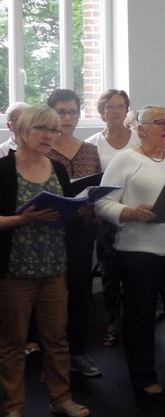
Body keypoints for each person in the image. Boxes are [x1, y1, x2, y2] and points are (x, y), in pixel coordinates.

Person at [94, 106, 165, 403]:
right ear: (141, 129)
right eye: (160, 122)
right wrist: (129, 212)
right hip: (138, 253)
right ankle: (143, 377)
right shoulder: (125, 160)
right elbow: (101, 203)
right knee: (140, 317)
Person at [1, 106, 91, 417]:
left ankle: (61, 398)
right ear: (23, 130)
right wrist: (21, 219)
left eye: (53, 130)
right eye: (41, 128)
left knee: (56, 338)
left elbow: (64, 214)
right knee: (13, 342)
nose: (49, 135)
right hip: (15, 268)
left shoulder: (57, 168)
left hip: (54, 266)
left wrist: (80, 207)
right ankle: (13, 408)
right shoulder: (3, 169)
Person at [46, 89, 103, 378]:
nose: (67, 117)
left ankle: (77, 352)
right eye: (62, 112)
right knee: (52, 295)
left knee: (80, 291)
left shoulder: (90, 150)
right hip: (51, 232)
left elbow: (97, 188)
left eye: (73, 112)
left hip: (82, 229)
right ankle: (52, 358)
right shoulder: (43, 150)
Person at [85, 89, 139, 348]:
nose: (116, 111)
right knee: (109, 272)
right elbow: (91, 184)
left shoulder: (139, 139)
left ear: (127, 111)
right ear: (101, 111)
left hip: (137, 215)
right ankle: (112, 322)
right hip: (107, 217)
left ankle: (138, 320)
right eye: (110, 107)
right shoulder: (92, 143)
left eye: (121, 106)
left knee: (136, 271)